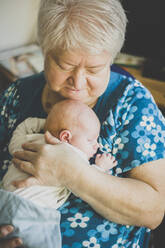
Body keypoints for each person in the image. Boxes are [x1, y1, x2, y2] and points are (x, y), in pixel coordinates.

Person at [0, 0, 165, 247]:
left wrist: (74, 173)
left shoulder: (132, 104)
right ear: (44, 51)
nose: (77, 82)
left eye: (94, 69)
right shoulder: (18, 95)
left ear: (111, 59)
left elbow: (153, 211)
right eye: (64, 65)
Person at [0, 99, 116, 248]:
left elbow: (22, 129)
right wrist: (101, 166)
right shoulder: (72, 155)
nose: (97, 145)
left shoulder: (28, 142)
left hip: (4, 201)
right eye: (90, 140)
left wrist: (46, 124)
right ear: (66, 137)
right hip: (32, 214)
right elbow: (86, 178)